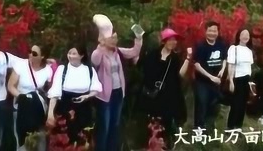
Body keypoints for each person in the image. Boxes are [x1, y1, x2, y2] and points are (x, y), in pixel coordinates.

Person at [90, 14, 143, 151]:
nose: (114, 40)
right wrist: (100, 46)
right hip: (104, 96)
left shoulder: (117, 52)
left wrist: (138, 38)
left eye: (115, 38)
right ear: (104, 39)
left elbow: (134, 52)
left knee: (115, 124)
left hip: (118, 93)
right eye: (111, 38)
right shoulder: (100, 53)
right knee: (104, 126)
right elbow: (94, 60)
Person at [140, 29, 190, 149]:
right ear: (164, 41)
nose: (173, 42)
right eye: (171, 40)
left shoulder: (175, 58)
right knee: (153, 122)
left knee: (166, 121)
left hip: (169, 96)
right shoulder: (152, 55)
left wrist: (188, 58)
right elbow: (145, 72)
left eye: (175, 40)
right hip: (154, 95)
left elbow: (179, 75)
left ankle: (165, 145)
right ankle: (152, 145)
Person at [47, 45, 102, 146]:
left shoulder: (89, 70)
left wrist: (87, 96)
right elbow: (55, 92)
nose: (71, 56)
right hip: (65, 110)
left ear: (81, 55)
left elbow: (96, 89)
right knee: (63, 142)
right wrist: (50, 114)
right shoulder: (62, 69)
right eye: (69, 53)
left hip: (84, 111)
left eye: (74, 53)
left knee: (82, 142)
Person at [7, 44, 54, 151]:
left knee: (39, 140)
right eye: (30, 51)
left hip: (39, 110)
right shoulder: (21, 65)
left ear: (42, 56)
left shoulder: (48, 70)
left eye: (34, 53)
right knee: (23, 141)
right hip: (21, 107)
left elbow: (50, 91)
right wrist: (23, 97)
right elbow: (10, 85)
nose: (30, 55)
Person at [192, 20, 226, 130]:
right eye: (210, 30)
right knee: (201, 103)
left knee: (213, 104)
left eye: (215, 31)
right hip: (202, 81)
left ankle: (210, 127)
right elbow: (197, 65)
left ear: (218, 32)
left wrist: (222, 69)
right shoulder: (200, 45)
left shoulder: (221, 44)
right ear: (206, 31)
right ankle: (199, 128)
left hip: (216, 82)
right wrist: (211, 77)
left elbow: (225, 58)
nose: (212, 33)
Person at [226, 28, 254, 129]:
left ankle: (238, 127)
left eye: (247, 35)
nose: (245, 37)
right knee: (235, 105)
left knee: (243, 105)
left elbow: (248, 67)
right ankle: (230, 128)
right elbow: (231, 65)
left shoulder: (249, 50)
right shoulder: (234, 48)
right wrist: (231, 81)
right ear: (239, 36)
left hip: (246, 80)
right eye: (243, 34)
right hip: (237, 79)